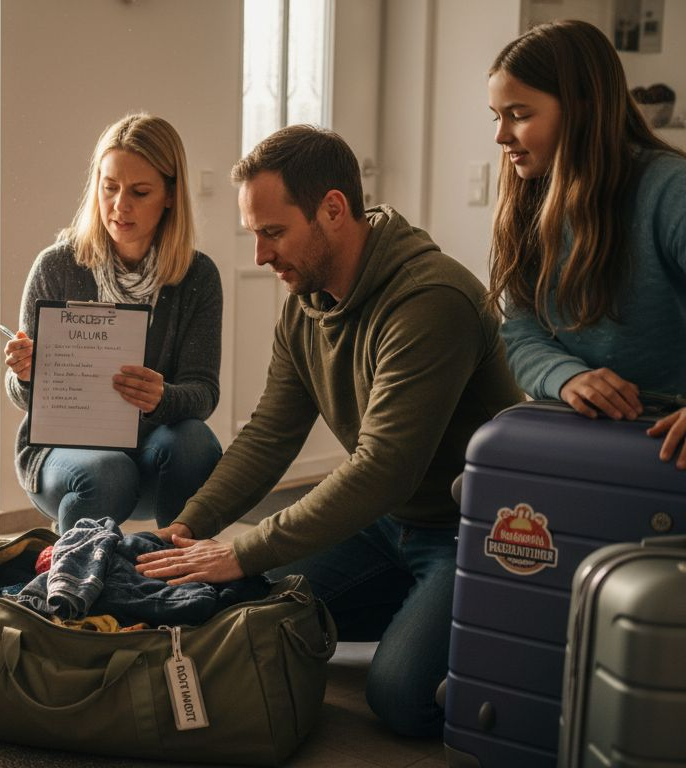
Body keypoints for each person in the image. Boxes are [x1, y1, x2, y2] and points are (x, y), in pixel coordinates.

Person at [134, 125, 524, 737]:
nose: (261, 256)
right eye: (254, 235)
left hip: (470, 531)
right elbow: (269, 434)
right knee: (246, 605)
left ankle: (493, 622)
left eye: (273, 232)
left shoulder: (431, 300)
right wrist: (186, 527)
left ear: (334, 210)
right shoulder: (307, 303)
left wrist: (242, 548)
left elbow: (382, 467)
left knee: (399, 697)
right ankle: (423, 615)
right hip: (385, 526)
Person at [3, 113, 223, 531]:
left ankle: (180, 579)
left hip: (152, 448)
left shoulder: (198, 277)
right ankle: (69, 587)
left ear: (171, 195)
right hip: (63, 449)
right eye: (109, 187)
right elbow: (19, 394)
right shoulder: (57, 266)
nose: (120, 206)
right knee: (108, 471)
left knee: (195, 443)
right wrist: (27, 375)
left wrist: (163, 397)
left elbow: (203, 393)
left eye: (140, 192)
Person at [486, 19, 686, 468]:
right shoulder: (525, 201)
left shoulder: (671, 190)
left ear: (583, 108)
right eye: (497, 117)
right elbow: (520, 332)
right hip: (583, 434)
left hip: (669, 443)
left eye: (519, 115)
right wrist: (566, 377)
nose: (501, 136)